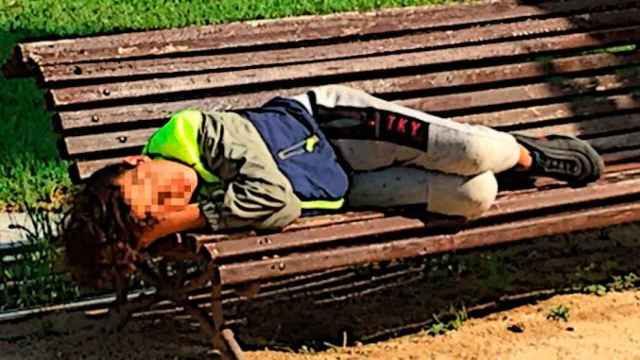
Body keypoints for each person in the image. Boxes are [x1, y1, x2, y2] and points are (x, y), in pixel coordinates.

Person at [61, 85, 604, 288]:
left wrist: (180, 221)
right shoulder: (205, 200)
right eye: (160, 212)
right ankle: (513, 164)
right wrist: (167, 227)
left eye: (150, 190)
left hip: (337, 125)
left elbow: (274, 201)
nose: (170, 199)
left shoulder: (194, 131)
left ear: (136, 158)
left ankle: (533, 152)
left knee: (477, 152)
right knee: (473, 196)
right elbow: (281, 207)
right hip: (346, 186)